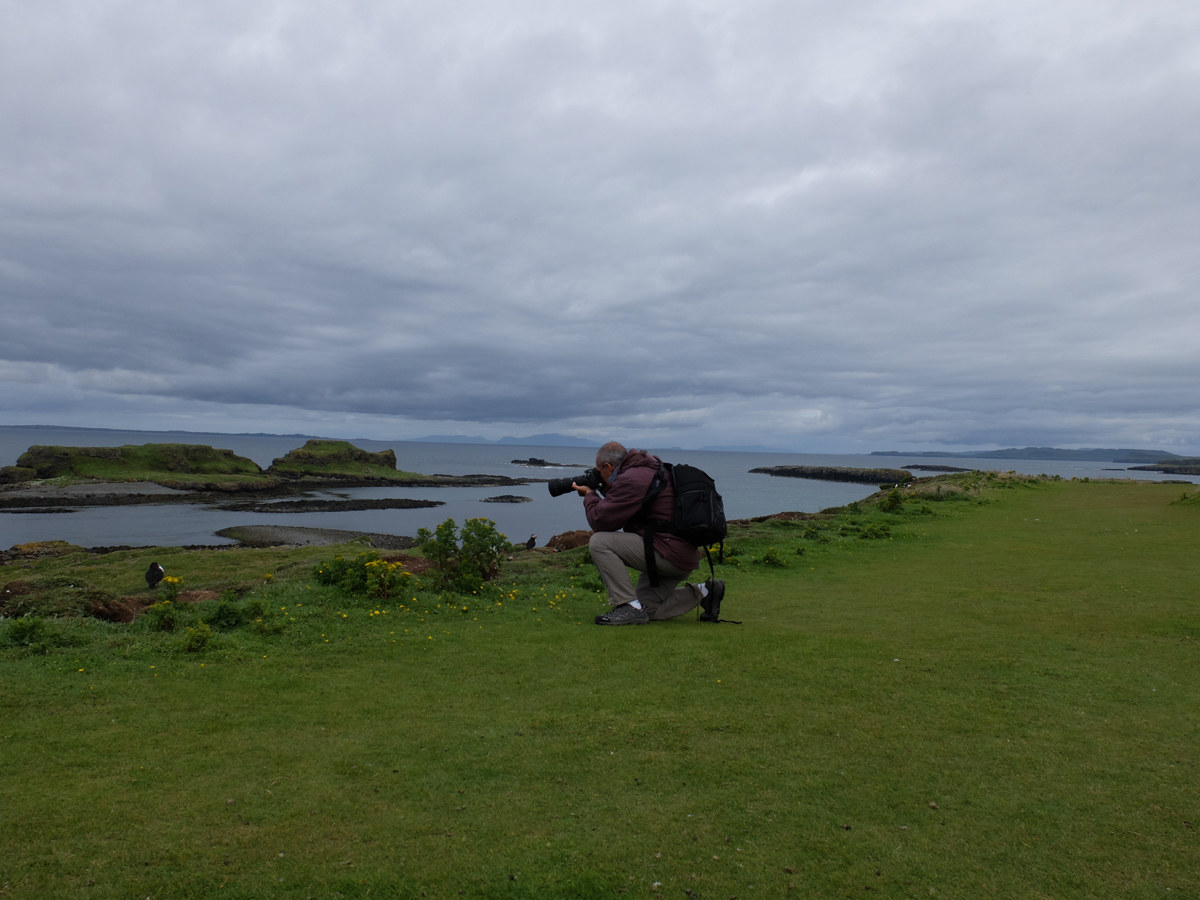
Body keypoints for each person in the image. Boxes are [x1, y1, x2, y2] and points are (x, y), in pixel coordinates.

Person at [573, 441, 725, 626]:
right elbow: (623, 505)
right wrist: (603, 490)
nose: (597, 475)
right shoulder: (648, 469)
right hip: (681, 555)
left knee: (599, 542)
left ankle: (628, 606)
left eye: (598, 471)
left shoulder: (632, 478)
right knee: (648, 608)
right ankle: (706, 592)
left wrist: (590, 495)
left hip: (667, 552)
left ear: (608, 467)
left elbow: (601, 520)